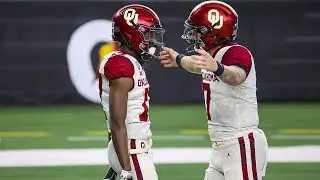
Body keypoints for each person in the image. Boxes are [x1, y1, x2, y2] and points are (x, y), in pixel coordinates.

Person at [159, 1, 268, 180]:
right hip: (220, 146)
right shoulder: (212, 55)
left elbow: (237, 75)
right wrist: (178, 59)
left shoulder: (237, 52)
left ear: (214, 31)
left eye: (197, 31)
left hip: (240, 142)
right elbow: (195, 65)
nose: (192, 35)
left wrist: (218, 68)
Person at [97, 4, 165, 180]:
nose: (152, 41)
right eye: (148, 34)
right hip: (132, 151)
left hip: (130, 149)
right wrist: (126, 170)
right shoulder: (122, 64)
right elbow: (116, 121)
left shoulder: (128, 61)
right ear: (132, 33)